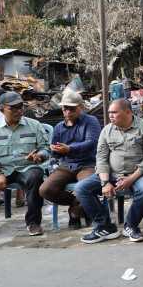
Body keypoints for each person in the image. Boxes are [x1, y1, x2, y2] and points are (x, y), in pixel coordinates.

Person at [75, 99, 143, 243]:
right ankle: (105, 227)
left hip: (138, 174)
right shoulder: (107, 130)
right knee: (81, 188)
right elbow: (101, 157)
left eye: (114, 112)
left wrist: (131, 179)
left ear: (127, 112)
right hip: (111, 174)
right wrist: (105, 182)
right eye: (109, 113)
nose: (110, 116)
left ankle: (130, 226)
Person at [0, 92, 50, 236]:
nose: (19, 111)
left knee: (35, 176)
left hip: (26, 167)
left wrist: (39, 156)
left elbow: (46, 148)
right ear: (1, 110)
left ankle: (33, 222)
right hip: (1, 169)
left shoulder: (34, 125)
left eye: (20, 107)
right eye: (13, 108)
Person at [39, 90, 102, 229]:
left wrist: (70, 149)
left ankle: (74, 213)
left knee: (85, 186)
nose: (67, 112)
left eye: (71, 108)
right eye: (65, 108)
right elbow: (55, 152)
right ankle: (78, 205)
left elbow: (92, 142)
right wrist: (53, 151)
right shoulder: (59, 127)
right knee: (45, 190)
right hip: (67, 164)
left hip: (88, 164)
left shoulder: (91, 121)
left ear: (81, 107)